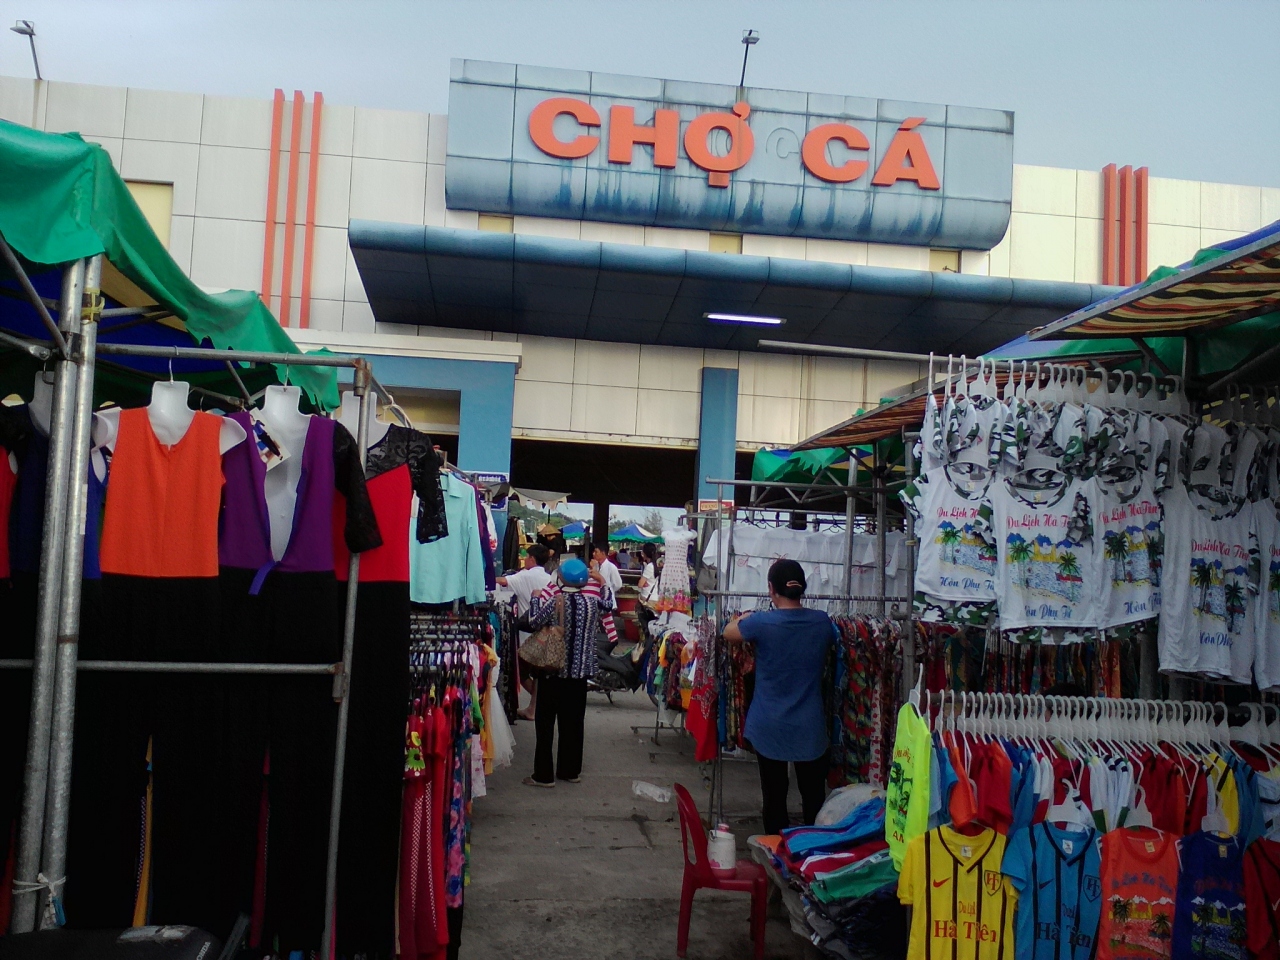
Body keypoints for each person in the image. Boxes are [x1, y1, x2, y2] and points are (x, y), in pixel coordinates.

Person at [723, 558, 835, 835]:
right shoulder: (822, 622)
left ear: (771, 588)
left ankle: (776, 850)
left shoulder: (761, 622)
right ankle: (813, 853)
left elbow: (728, 633)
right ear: (802, 588)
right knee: (814, 799)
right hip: (809, 725)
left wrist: (745, 616)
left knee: (774, 797)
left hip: (770, 724)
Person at [522, 558, 615, 787]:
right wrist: (602, 582)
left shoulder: (555, 602)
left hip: (552, 672)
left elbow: (533, 621)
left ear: (561, 579)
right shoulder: (592, 603)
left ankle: (543, 775)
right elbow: (609, 603)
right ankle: (569, 771)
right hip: (579, 675)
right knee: (573, 724)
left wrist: (535, 598)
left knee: (545, 725)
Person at [496, 544, 553, 721]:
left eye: (526, 556)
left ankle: (538, 704)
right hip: (545, 633)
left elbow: (503, 581)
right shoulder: (549, 578)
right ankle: (535, 707)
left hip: (526, 634)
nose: (525, 559)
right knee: (538, 673)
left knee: (520, 672)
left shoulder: (525, 575)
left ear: (532, 559)